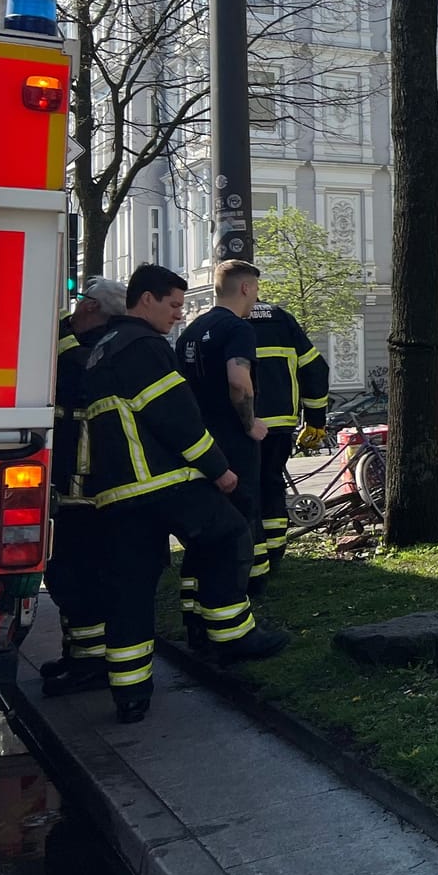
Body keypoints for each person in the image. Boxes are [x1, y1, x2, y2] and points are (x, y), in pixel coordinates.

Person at [86, 265, 287, 723]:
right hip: (158, 479)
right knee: (230, 534)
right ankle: (232, 635)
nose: (179, 314)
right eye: (173, 304)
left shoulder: (103, 349)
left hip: (116, 489)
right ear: (145, 300)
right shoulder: (144, 347)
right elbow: (176, 417)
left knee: (133, 586)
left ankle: (131, 694)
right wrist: (220, 470)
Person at [39, 276, 127, 698]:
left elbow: (73, 370)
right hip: (63, 483)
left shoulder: (91, 350)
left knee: (77, 575)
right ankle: (77, 654)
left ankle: (90, 662)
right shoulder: (66, 334)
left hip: (86, 489)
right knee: (65, 573)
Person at [176, 261, 270, 624]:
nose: (256, 297)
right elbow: (237, 379)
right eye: (256, 290)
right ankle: (232, 604)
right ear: (245, 288)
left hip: (201, 444)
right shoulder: (237, 329)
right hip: (233, 442)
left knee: (206, 526)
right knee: (238, 524)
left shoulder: (192, 330)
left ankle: (193, 605)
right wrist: (249, 424)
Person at [249, 299, 330, 577]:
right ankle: (274, 556)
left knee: (246, 489)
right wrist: (316, 420)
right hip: (280, 422)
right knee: (272, 485)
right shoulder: (280, 319)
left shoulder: (217, 323)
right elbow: (315, 368)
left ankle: (252, 557)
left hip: (238, 425)